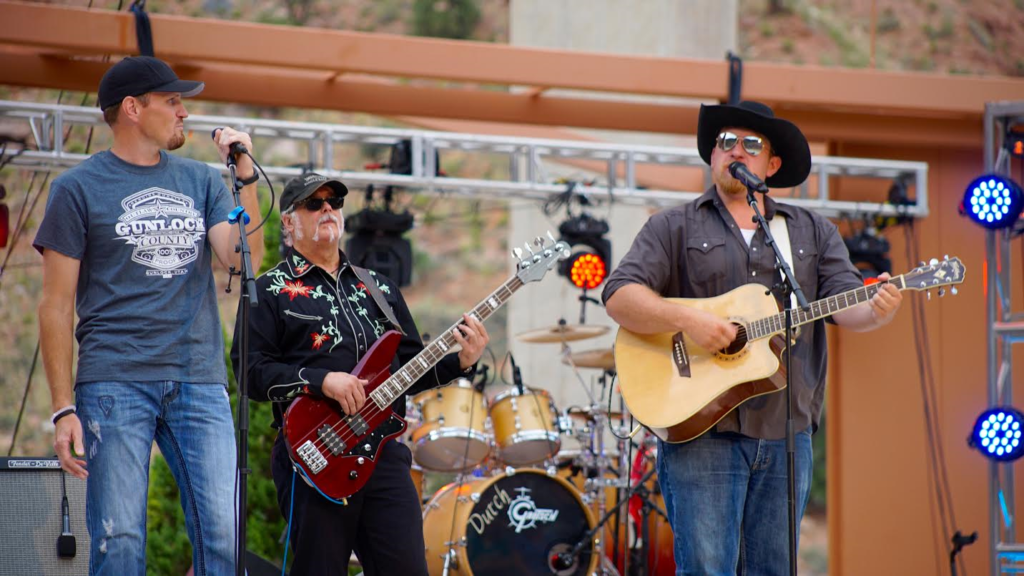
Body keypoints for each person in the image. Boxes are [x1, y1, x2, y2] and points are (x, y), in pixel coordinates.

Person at [602, 100, 903, 575]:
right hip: (701, 429)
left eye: (750, 144)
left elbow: (850, 308)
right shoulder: (673, 226)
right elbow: (619, 296)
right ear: (712, 155)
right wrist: (691, 322)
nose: (735, 150)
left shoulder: (810, 232)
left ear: (772, 164)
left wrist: (880, 308)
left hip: (787, 432)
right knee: (706, 568)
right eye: (725, 142)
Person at [34, 56, 264, 575]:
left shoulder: (202, 180)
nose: (184, 112)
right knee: (120, 542)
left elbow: (241, 257)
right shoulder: (77, 188)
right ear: (134, 108)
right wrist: (62, 407)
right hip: (114, 380)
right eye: (174, 101)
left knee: (225, 535)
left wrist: (245, 175)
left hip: (199, 379)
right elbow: (54, 304)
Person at [231, 172, 488, 576]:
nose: (327, 209)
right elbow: (250, 373)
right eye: (313, 204)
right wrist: (321, 381)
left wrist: (461, 362)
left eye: (333, 201)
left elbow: (409, 369)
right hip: (315, 454)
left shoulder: (379, 289)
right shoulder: (268, 290)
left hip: (383, 454)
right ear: (288, 222)